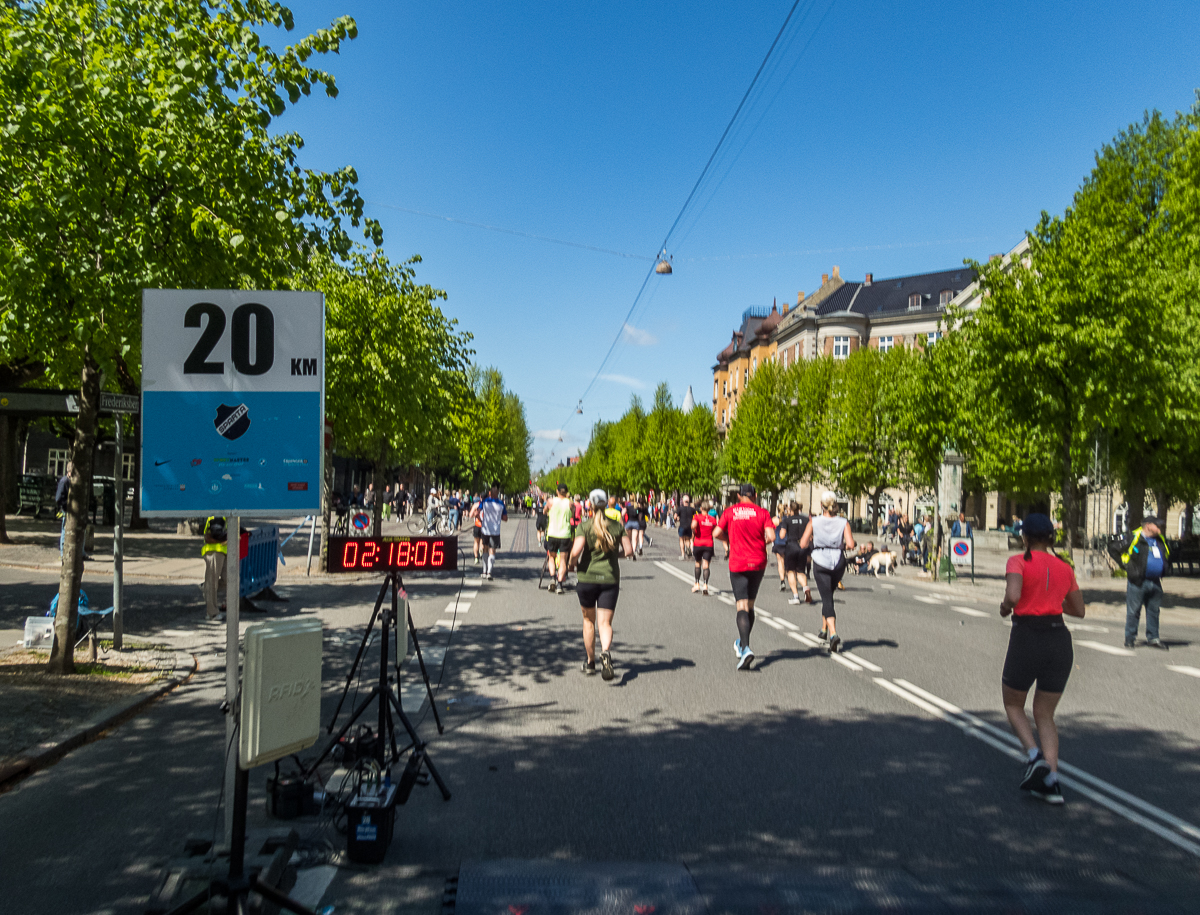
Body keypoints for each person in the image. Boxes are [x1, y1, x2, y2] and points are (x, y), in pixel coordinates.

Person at [999, 512, 1086, 805]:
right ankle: (1052, 781)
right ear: (1050, 537)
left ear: (1024, 537)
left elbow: (1012, 596)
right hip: (1059, 639)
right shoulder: (1064, 567)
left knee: (1013, 703)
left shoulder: (1018, 562)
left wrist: (1004, 607)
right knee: (1045, 714)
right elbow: (1079, 610)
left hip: (1028, 637)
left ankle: (1034, 757)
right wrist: (1050, 601)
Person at [569, 489, 632, 681]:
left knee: (589, 622)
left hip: (587, 579)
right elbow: (629, 551)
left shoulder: (585, 527)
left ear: (590, 505)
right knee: (605, 623)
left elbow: (576, 550)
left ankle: (590, 663)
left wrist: (573, 563)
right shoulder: (616, 526)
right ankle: (605, 651)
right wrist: (616, 556)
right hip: (610, 578)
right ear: (607, 504)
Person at [714, 484, 775, 670]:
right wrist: (760, 541)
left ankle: (745, 647)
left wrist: (730, 539)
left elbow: (716, 533)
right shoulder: (762, 512)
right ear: (755, 495)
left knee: (741, 605)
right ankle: (742, 644)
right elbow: (771, 536)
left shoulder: (731, 511)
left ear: (739, 495)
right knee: (750, 605)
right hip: (757, 561)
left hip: (738, 561)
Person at [800, 491, 855, 653]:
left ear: (821, 506)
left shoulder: (814, 522)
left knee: (826, 598)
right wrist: (839, 545)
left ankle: (833, 633)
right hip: (838, 561)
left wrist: (813, 540)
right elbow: (851, 545)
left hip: (820, 560)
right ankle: (824, 629)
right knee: (828, 595)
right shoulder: (844, 522)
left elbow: (803, 544)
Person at [1121, 515, 1171, 649]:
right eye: (1157, 525)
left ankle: (1153, 638)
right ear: (1148, 526)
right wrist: (1127, 567)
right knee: (1133, 611)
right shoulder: (1135, 538)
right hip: (1138, 581)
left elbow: (1165, 555)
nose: (1160, 527)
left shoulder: (1159, 540)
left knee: (1154, 611)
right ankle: (1130, 638)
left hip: (1155, 581)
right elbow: (1115, 548)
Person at [469, 483, 507, 580]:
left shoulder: (485, 501)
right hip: (495, 530)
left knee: (485, 549)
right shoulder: (501, 503)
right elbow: (505, 518)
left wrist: (480, 518)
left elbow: (477, 512)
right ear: (498, 493)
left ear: (490, 493)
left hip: (485, 529)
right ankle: (489, 572)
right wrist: (498, 517)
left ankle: (484, 571)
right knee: (492, 550)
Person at [544, 483, 575, 595]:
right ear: (566, 492)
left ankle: (553, 578)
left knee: (551, 557)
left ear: (557, 492)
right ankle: (560, 585)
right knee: (563, 561)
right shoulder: (570, 503)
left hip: (552, 533)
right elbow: (573, 516)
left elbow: (544, 511)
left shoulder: (551, 502)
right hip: (565, 534)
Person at [782, 501, 812, 605]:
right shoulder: (806, 520)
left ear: (790, 509)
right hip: (802, 547)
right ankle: (805, 588)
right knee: (800, 571)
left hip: (791, 546)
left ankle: (796, 596)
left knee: (790, 571)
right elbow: (810, 534)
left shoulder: (787, 520)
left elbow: (782, 535)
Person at [202, 515, 228, 621]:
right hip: (214, 551)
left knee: (230, 581)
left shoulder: (232, 512)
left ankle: (205, 587)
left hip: (225, 552)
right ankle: (212, 613)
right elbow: (208, 537)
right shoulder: (214, 517)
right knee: (212, 583)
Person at [691, 499, 718, 594]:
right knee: (706, 565)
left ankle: (697, 584)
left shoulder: (697, 517)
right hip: (708, 544)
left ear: (701, 508)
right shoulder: (713, 519)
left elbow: (693, 526)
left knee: (698, 563)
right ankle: (705, 585)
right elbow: (715, 531)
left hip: (698, 543)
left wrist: (694, 531)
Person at [772, 505, 789, 591]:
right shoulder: (788, 519)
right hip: (787, 542)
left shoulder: (775, 519)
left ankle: (782, 581)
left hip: (778, 542)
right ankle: (789, 577)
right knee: (786, 562)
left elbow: (771, 530)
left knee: (780, 562)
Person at [676, 495, 696, 560]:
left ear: (683, 501)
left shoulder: (680, 508)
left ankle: (682, 555)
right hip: (689, 527)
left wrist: (678, 519)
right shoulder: (692, 509)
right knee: (687, 539)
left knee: (681, 540)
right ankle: (688, 549)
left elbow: (675, 516)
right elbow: (696, 517)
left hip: (682, 525)